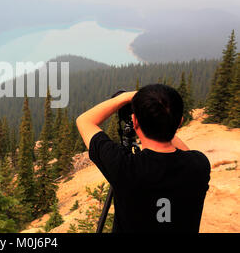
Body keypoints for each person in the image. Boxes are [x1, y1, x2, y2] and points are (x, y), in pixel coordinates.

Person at [76, 84, 210, 233]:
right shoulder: (199, 165)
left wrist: (125, 98)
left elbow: (84, 121)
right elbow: (183, 151)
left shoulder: (124, 167)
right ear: (179, 122)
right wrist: (162, 119)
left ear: (135, 122)